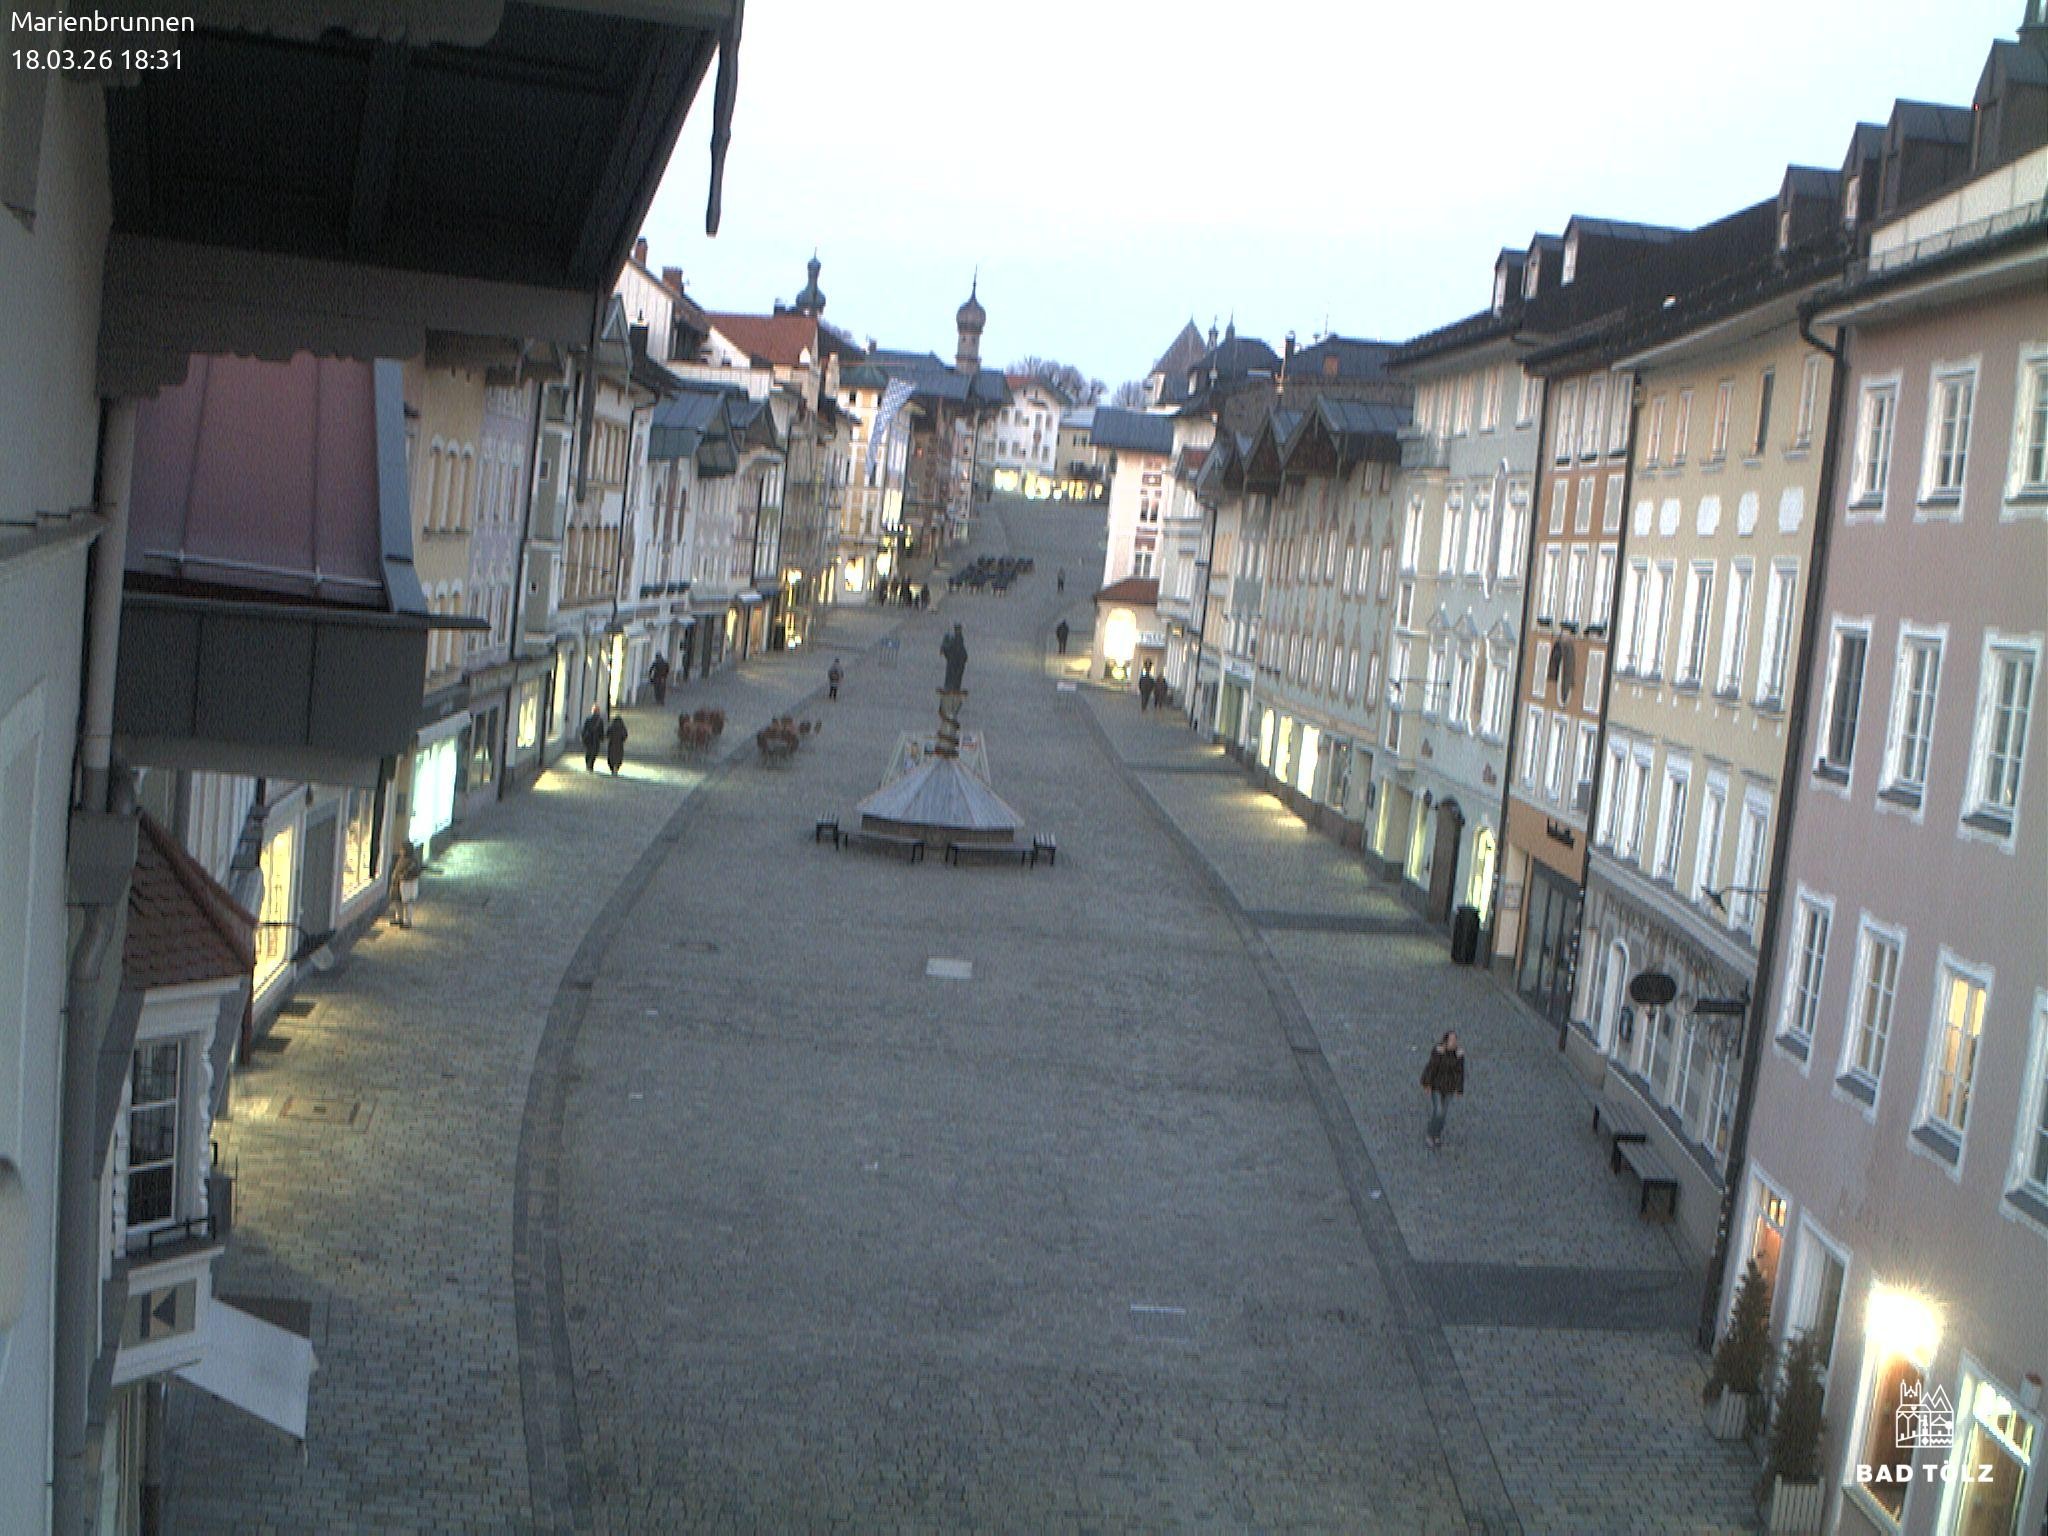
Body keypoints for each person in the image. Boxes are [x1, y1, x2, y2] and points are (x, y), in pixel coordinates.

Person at [1420, 1030, 1467, 1149]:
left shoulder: (1458, 1055)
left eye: (1455, 1040)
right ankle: (1430, 1133)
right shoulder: (1438, 1051)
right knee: (1439, 1112)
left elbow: (1460, 1073)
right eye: (1451, 1040)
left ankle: (1437, 1135)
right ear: (1445, 1041)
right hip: (1437, 1086)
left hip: (1449, 1088)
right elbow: (1431, 1067)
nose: (1453, 1043)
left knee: (1443, 1114)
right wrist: (1427, 1084)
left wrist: (1459, 1089)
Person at [389, 841, 422, 929]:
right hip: (398, 885)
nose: (401, 851)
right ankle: (399, 918)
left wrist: (404, 875)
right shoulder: (402, 858)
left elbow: (415, 872)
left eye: (402, 849)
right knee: (398, 902)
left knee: (407, 903)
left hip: (406, 886)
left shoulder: (412, 861)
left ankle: (408, 921)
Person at [581, 706, 605, 772]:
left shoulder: (588, 719)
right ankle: (591, 765)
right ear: (598, 711)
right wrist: (602, 738)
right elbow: (601, 730)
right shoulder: (600, 720)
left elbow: (584, 729)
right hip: (596, 739)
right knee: (594, 752)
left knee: (588, 752)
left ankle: (588, 764)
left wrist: (583, 737)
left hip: (588, 738)